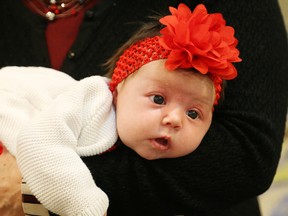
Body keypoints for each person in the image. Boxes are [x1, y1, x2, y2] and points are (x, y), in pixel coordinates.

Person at [0, 0, 287, 216]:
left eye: (194, 113)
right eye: (158, 99)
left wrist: (28, 193)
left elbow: (249, 155)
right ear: (118, 89)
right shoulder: (93, 100)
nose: (174, 118)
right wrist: (88, 206)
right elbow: (39, 143)